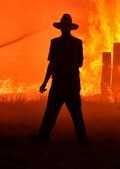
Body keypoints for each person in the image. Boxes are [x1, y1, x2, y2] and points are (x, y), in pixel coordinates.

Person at [36, 14, 88, 146]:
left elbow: (51, 65)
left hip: (58, 83)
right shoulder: (77, 43)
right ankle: (83, 141)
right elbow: (80, 63)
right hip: (72, 84)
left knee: (50, 113)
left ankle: (42, 138)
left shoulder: (55, 43)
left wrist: (44, 82)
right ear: (70, 28)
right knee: (77, 114)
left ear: (60, 29)